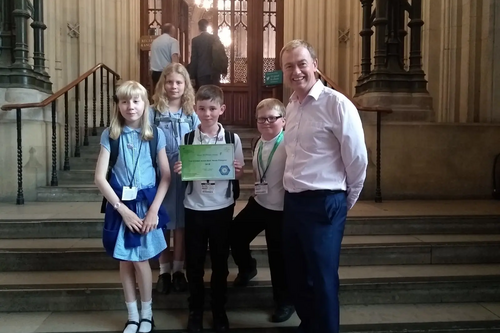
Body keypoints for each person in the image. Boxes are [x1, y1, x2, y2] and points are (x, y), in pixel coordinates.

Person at [280, 39, 368, 333]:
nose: (296, 71)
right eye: (289, 65)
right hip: (293, 203)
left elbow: (357, 160)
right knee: (297, 275)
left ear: (315, 66)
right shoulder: (290, 107)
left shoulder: (337, 104)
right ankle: (310, 325)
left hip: (325, 204)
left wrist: (343, 201)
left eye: (302, 63)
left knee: (323, 279)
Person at [94, 80, 171, 333]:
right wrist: (121, 209)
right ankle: (132, 316)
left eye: (136, 101)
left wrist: (153, 212)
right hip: (122, 208)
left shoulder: (156, 134)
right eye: (124, 101)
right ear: (118, 105)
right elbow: (100, 178)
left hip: (146, 207)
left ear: (145, 103)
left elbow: (166, 176)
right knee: (125, 262)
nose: (130, 106)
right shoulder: (111, 134)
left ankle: (147, 315)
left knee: (141, 260)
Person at [173, 85, 244, 333]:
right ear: (195, 109)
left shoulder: (232, 139)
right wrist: (182, 170)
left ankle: (218, 310)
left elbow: (239, 172)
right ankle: (195, 309)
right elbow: (185, 174)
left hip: (222, 208)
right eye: (202, 108)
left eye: (213, 108)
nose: (207, 113)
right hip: (194, 208)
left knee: (220, 262)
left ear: (221, 109)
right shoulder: (188, 138)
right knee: (194, 262)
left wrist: (238, 170)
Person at [229, 98, 295, 323]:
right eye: (261, 119)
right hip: (260, 203)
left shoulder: (290, 144)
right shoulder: (257, 141)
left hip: (282, 209)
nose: (266, 122)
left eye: (272, 118)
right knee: (234, 234)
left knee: (278, 258)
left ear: (283, 120)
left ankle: (284, 302)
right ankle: (248, 268)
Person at [150, 63, 200, 294]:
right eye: (169, 82)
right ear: (163, 84)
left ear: (185, 85)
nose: (174, 86)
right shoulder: (153, 112)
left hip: (185, 173)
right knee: (162, 223)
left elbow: (200, 142)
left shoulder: (191, 113)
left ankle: (179, 270)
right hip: (161, 174)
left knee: (181, 224)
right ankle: (164, 271)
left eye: (179, 82)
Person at [188, 19, 225, 88]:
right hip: (215, 72)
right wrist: (224, 70)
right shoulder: (215, 38)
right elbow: (222, 54)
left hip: (202, 72)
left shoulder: (196, 40)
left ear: (199, 27)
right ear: (207, 27)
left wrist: (192, 76)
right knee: (215, 94)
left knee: (203, 95)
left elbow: (194, 59)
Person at [150, 23, 180, 89]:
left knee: (158, 93)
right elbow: (174, 57)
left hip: (155, 73)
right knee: (167, 94)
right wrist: (177, 72)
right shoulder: (173, 41)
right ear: (172, 31)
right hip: (167, 73)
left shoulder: (154, 42)